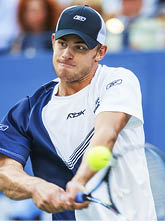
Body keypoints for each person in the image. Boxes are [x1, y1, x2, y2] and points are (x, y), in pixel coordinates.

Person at [0, 5, 157, 221]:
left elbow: (107, 132)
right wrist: (35, 186)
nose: (67, 54)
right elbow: (5, 170)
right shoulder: (29, 111)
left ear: (100, 52)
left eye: (80, 47)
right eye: (62, 44)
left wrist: (80, 180)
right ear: (53, 40)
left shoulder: (118, 81)